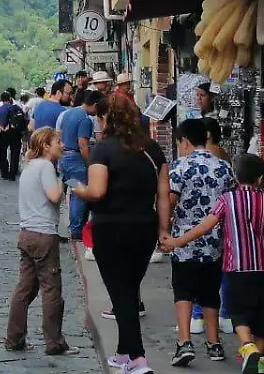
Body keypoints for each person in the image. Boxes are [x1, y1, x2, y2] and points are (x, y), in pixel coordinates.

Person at [161, 154, 264, 374]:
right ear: (260, 179)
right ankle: (260, 360)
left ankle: (247, 348)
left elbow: (204, 227)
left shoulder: (226, 200)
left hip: (236, 268)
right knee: (261, 315)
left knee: (238, 312)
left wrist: (176, 242)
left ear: (236, 178)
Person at [72, 95, 170, 374]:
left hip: (110, 227)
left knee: (121, 292)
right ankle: (123, 353)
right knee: (127, 289)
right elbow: (163, 196)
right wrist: (164, 230)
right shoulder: (153, 149)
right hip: (145, 228)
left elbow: (97, 191)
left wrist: (76, 187)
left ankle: (138, 358)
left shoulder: (103, 150)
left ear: (106, 119)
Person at [4, 127, 80, 356]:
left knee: (24, 289)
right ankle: (54, 342)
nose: (62, 145)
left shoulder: (29, 166)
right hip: (43, 234)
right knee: (51, 290)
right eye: (58, 141)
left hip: (27, 232)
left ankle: (14, 338)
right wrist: (64, 181)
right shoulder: (46, 167)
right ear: (46, 145)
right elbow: (54, 196)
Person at [165, 118, 235, 367]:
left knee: (183, 290)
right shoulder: (224, 167)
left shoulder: (180, 167)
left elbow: (170, 200)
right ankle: (214, 343)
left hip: (184, 241)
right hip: (216, 242)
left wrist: (164, 230)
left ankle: (184, 342)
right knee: (210, 293)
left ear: (184, 141)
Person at [59, 90, 103, 243]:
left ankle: (74, 226)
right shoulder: (85, 119)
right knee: (81, 193)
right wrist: (90, 164)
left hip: (65, 157)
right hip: (76, 159)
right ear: (95, 105)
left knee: (74, 191)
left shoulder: (70, 113)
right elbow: (83, 145)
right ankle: (77, 229)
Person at [0, 92, 27, 181]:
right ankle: (12, 173)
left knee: (3, 153)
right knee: (15, 153)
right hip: (16, 133)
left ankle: (4, 173)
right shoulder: (17, 108)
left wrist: (1, 128)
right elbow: (23, 121)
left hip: (5, 132)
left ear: (2, 99)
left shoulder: (0, 109)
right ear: (10, 99)